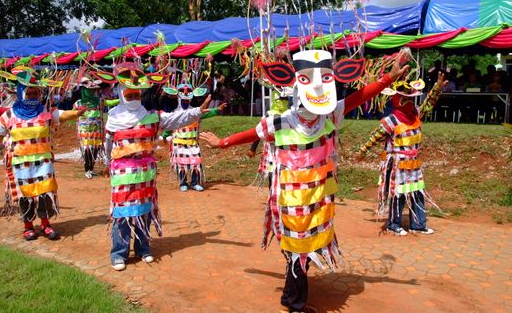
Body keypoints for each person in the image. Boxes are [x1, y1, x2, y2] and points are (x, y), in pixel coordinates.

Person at [201, 49, 409, 312]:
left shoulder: (329, 116)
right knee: (300, 252)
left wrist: (388, 79)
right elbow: (249, 133)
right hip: (291, 201)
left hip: (318, 199)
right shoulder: (281, 122)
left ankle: (290, 298)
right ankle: (296, 305)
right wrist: (221, 142)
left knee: (301, 253)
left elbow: (358, 97)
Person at [100, 62, 212, 271]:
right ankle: (119, 253)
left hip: (145, 174)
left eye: (136, 95)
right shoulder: (113, 117)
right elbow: (108, 144)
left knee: (144, 210)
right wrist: (107, 162)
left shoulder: (151, 115)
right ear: (122, 94)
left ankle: (143, 248)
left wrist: (197, 111)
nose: (133, 98)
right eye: (129, 95)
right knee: (122, 213)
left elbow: (176, 118)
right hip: (122, 173)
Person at [0, 67, 86, 240]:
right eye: (30, 93)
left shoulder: (45, 110)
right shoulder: (9, 114)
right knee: (25, 195)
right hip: (21, 163)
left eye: (35, 93)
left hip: (43, 162)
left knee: (45, 193)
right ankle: (28, 227)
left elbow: (62, 115)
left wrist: (77, 113)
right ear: (21, 93)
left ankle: (46, 224)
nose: (33, 96)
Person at [359, 72, 448, 235]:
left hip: (414, 164)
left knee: (417, 192)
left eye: (410, 98)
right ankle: (394, 224)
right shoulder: (391, 120)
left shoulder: (415, 113)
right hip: (397, 165)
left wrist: (437, 88)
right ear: (396, 100)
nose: (408, 101)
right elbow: (375, 136)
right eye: (404, 98)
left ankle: (419, 224)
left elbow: (428, 104)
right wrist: (363, 151)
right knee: (398, 194)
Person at [161, 79, 226, 192]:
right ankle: (183, 182)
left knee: (195, 162)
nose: (185, 92)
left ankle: (195, 182)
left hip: (193, 143)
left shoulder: (196, 112)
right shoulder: (175, 113)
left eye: (188, 90)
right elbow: (169, 124)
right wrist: (165, 135)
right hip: (178, 143)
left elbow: (206, 112)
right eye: (182, 90)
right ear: (176, 94)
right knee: (181, 164)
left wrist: (216, 109)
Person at [73, 77, 119, 179]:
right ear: (83, 90)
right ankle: (87, 169)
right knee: (87, 151)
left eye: (93, 90)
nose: (92, 91)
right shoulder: (78, 103)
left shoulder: (99, 101)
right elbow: (72, 114)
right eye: (89, 90)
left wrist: (123, 99)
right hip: (84, 133)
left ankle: (91, 169)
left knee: (95, 150)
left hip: (96, 132)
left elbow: (110, 103)